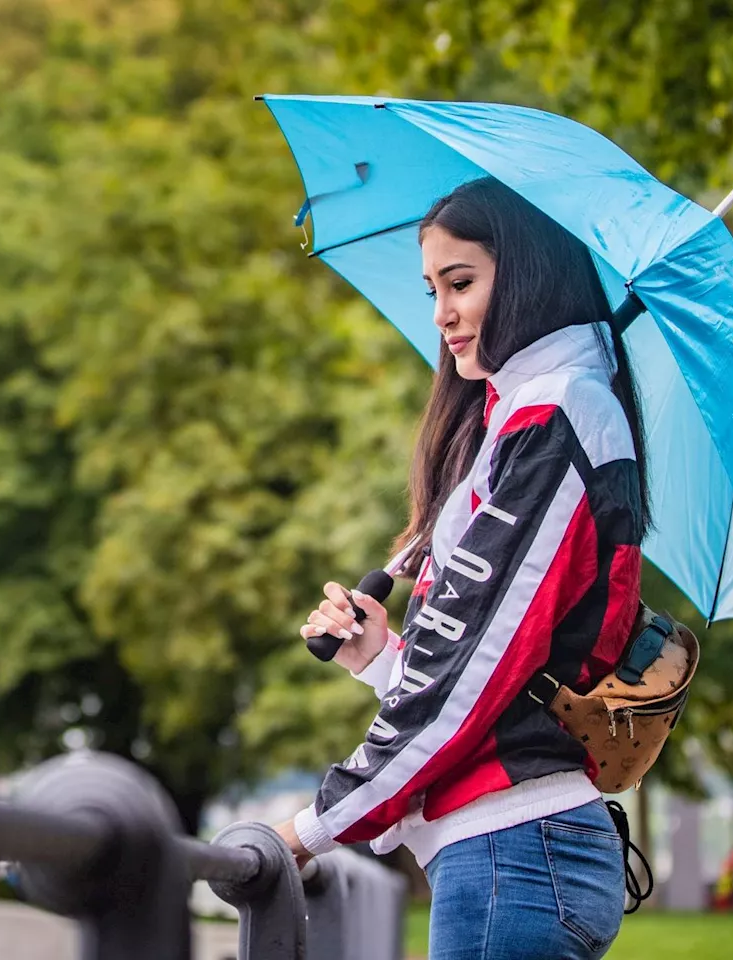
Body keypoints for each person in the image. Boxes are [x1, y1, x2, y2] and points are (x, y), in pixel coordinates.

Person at [274, 176, 653, 960]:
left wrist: (314, 827)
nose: (443, 313)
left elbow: (477, 669)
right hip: (507, 857)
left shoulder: (559, 414)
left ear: (526, 275)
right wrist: (380, 657)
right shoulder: (517, 416)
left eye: (462, 282)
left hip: (516, 851)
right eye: (432, 289)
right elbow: (492, 663)